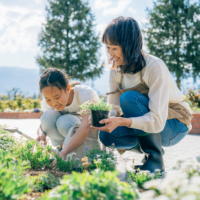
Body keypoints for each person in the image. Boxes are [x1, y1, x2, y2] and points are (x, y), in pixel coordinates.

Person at [90, 17, 192, 173]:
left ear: (129, 46)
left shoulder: (154, 67)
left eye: (114, 48)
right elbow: (113, 108)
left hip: (174, 124)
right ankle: (149, 151)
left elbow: (157, 121)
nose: (110, 54)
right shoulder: (116, 70)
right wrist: (106, 121)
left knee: (129, 98)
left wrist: (123, 122)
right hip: (151, 125)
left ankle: (155, 159)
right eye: (107, 48)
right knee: (107, 136)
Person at [36, 67, 99, 160]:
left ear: (68, 88)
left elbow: (86, 127)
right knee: (47, 116)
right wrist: (41, 134)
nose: (54, 103)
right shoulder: (48, 102)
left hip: (88, 134)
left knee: (64, 121)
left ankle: (66, 152)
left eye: (57, 97)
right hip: (67, 138)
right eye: (48, 99)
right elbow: (42, 124)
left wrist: (65, 151)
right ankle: (61, 151)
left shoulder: (84, 94)